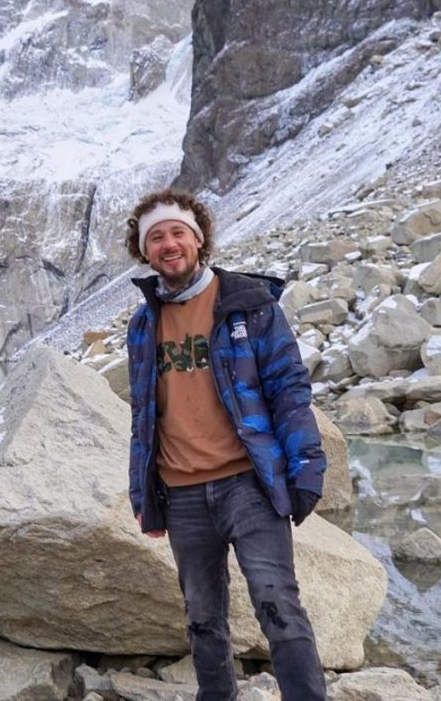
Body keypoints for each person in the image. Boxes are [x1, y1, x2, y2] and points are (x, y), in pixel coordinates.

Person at [125, 188, 327, 701]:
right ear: (144, 251)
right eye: (156, 238)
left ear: (198, 240)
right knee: (201, 616)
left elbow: (289, 389)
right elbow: (144, 417)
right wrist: (141, 495)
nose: (169, 244)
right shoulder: (143, 324)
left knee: (277, 603)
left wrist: (306, 466)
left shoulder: (249, 305)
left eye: (178, 233)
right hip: (182, 493)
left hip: (247, 483)